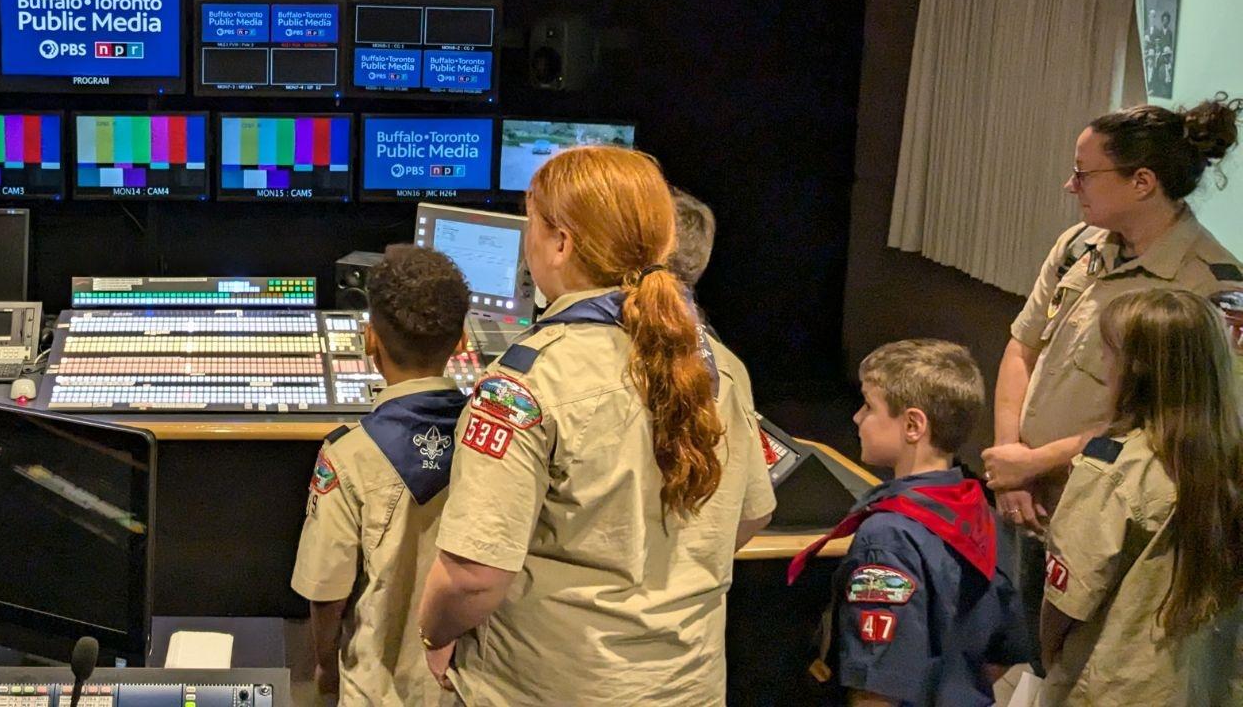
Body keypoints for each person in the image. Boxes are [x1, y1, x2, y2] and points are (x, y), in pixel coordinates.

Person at [415, 145, 775, 705]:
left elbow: (471, 576)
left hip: (546, 689)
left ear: (561, 243)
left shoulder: (524, 385)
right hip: (687, 688)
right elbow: (750, 515)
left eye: (532, 223)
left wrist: (433, 634)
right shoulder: (721, 367)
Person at [983, 97, 1241, 655]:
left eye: (1083, 173)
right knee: (1022, 658)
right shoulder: (1078, 248)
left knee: (1084, 665)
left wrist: (1032, 462)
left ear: (1142, 181)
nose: (1070, 186)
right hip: (1028, 498)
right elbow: (1021, 348)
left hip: (1111, 520)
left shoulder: (1209, 288)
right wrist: (1011, 456)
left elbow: (1170, 424)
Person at [790, 339, 1032, 705]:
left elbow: (879, 686)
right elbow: (1004, 649)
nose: (857, 418)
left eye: (869, 407)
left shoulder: (888, 538)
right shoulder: (982, 511)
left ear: (913, 425)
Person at [1040, 289, 1243, 704]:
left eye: (1110, 352)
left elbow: (1068, 602)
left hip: (1114, 687)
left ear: (1139, 370)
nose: (1103, 364)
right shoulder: (1232, 461)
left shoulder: (1112, 469)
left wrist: (1052, 660)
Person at [291, 244, 471, 706]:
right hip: (472, 686)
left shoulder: (347, 454)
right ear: (462, 341)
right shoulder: (502, 440)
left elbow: (326, 592)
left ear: (371, 340)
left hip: (379, 690)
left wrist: (325, 667)